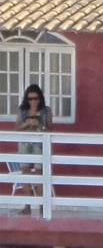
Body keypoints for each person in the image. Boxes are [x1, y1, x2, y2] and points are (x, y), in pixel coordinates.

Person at [14, 84, 53, 215]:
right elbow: (16, 127)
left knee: (39, 173)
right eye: (30, 99)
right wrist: (26, 124)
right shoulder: (22, 110)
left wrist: (40, 125)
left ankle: (42, 206)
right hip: (25, 143)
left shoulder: (46, 111)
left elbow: (49, 129)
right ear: (27, 99)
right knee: (26, 174)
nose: (33, 101)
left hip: (39, 144)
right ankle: (27, 206)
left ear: (40, 98)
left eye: (36, 98)